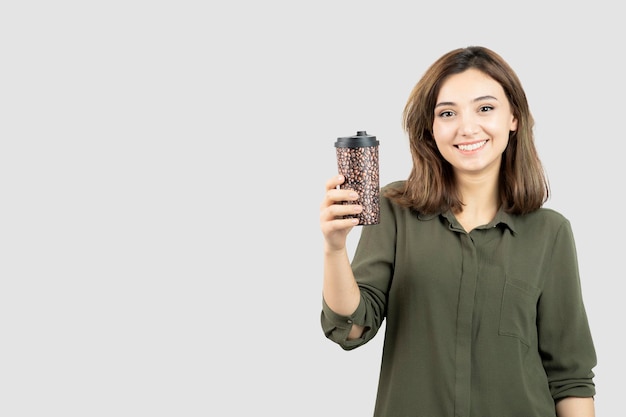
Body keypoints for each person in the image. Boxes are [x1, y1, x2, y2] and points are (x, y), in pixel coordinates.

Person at [319, 46, 597, 417]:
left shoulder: (551, 232)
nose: (467, 128)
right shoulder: (394, 210)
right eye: (447, 113)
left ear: (513, 117)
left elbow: (570, 377)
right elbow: (352, 328)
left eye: (485, 108)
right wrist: (335, 249)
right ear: (431, 128)